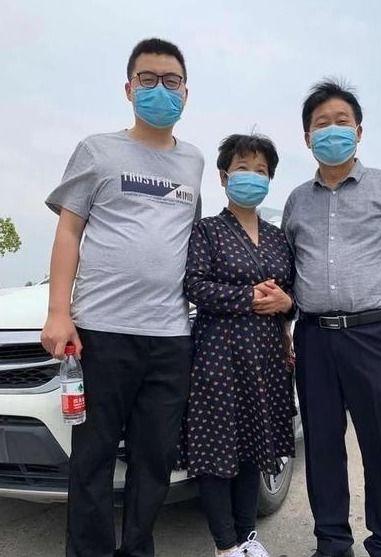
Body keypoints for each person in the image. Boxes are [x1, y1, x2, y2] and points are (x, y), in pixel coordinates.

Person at [41, 38, 204, 557]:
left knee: (154, 459)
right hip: (102, 332)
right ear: (129, 88)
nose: (160, 89)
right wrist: (58, 312)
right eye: (148, 79)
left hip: (171, 336)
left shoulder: (194, 162)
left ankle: (138, 549)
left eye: (171, 81)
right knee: (91, 459)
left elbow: (188, 240)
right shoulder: (97, 150)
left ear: (186, 92)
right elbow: (69, 231)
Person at [282, 80, 381, 557]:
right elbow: (289, 270)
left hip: (375, 335)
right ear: (307, 137)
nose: (332, 131)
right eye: (321, 124)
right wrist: (286, 331)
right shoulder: (297, 201)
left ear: (359, 131)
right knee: (322, 446)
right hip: (314, 338)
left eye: (341, 122)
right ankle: (332, 541)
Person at [183, 134, 296, 557]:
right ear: (223, 176)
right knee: (217, 446)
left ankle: (248, 536)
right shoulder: (207, 231)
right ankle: (225, 544)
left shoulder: (278, 237)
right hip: (219, 354)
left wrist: (287, 305)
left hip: (266, 356)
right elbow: (194, 286)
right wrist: (247, 297)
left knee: (254, 444)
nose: (252, 176)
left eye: (261, 171)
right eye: (243, 168)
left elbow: (292, 292)